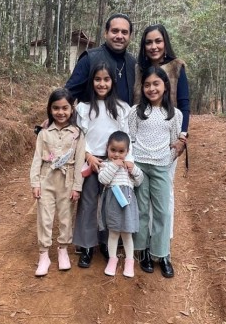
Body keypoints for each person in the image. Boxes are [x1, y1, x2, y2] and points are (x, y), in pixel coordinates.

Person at [73, 62, 132, 268]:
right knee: (88, 203)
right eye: (97, 79)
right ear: (92, 81)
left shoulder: (122, 108)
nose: (102, 83)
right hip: (90, 160)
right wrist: (88, 155)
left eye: (106, 79)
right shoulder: (84, 107)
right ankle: (87, 246)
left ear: (112, 82)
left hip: (113, 163)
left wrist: (121, 161)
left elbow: (126, 137)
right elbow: (80, 136)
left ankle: (108, 244)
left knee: (110, 205)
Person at [134, 24, 190, 238]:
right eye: (149, 42)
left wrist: (182, 138)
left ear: (165, 42)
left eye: (158, 41)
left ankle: (163, 241)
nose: (154, 46)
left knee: (164, 193)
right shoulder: (138, 70)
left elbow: (184, 105)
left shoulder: (177, 67)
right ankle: (143, 241)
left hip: (168, 142)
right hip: (141, 140)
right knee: (141, 191)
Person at [129, 67, 183, 278]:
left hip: (161, 168)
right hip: (140, 167)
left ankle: (162, 253)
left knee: (162, 211)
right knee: (141, 209)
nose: (152, 88)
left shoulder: (173, 114)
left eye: (156, 84)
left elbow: (176, 143)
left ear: (165, 86)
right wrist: (133, 164)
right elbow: (131, 138)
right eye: (147, 85)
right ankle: (142, 251)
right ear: (142, 88)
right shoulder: (136, 112)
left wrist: (165, 161)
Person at [30, 88, 85, 277]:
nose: (60, 112)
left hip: (67, 179)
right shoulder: (44, 133)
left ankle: (63, 249)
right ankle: (43, 254)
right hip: (47, 177)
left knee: (65, 216)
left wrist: (77, 186)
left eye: (65, 108)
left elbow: (79, 162)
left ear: (72, 110)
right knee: (44, 218)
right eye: (56, 108)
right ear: (50, 109)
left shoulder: (77, 134)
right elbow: (37, 158)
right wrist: (35, 183)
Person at [98, 131, 144, 277]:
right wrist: (113, 166)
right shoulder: (105, 164)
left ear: (127, 151)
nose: (117, 155)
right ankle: (113, 259)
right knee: (113, 233)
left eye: (121, 151)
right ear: (107, 148)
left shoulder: (129, 166)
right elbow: (103, 179)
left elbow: (139, 181)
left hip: (128, 204)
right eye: (113, 150)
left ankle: (129, 262)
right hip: (112, 203)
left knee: (127, 234)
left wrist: (134, 170)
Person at [65, 13, 136, 106]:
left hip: (125, 120)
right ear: (106, 33)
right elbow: (68, 94)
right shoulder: (89, 59)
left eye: (124, 32)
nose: (119, 36)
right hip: (91, 119)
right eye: (115, 31)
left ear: (130, 36)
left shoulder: (133, 63)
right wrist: (54, 117)